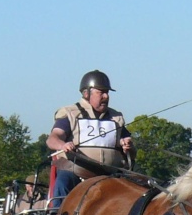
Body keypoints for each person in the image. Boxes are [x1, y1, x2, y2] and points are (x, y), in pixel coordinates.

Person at [46, 70, 136, 207]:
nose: (106, 96)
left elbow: (131, 148)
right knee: (63, 180)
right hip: (76, 172)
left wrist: (128, 145)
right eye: (101, 92)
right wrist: (62, 145)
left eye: (107, 92)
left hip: (111, 174)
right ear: (86, 93)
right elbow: (53, 138)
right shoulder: (71, 113)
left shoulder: (116, 118)